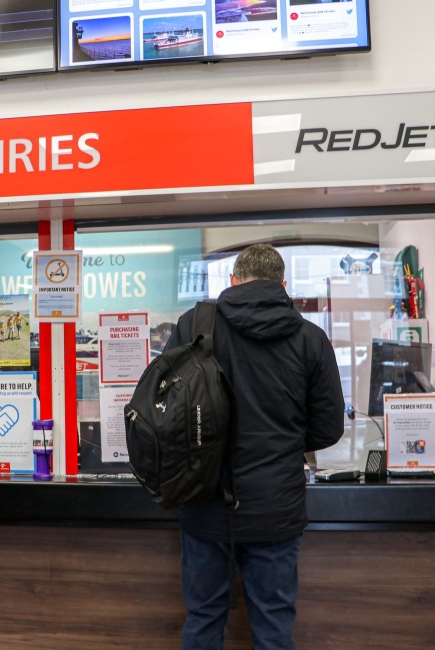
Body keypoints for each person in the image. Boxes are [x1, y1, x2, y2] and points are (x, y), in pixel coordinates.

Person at [166, 244, 344, 650]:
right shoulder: (310, 340)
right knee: (273, 629)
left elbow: (166, 412)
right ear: (284, 285)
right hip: (275, 508)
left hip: (204, 501)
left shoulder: (194, 324)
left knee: (203, 619)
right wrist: (283, 443)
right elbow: (329, 428)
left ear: (233, 281)